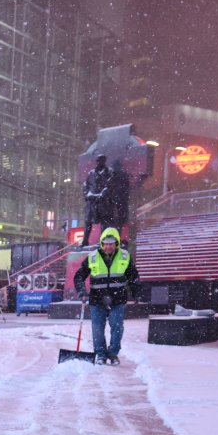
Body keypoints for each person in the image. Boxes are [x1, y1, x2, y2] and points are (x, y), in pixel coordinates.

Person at [73, 227, 140, 366]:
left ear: (116, 243)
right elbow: (79, 276)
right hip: (97, 300)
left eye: (111, 243)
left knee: (117, 328)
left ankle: (113, 353)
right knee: (97, 329)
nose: (108, 246)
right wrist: (82, 291)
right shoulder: (92, 257)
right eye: (106, 243)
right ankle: (101, 355)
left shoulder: (125, 256)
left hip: (117, 299)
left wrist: (136, 293)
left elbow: (134, 277)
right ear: (102, 243)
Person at [81, 154, 113, 247]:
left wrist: (103, 194)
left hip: (103, 202)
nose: (100, 162)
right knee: (88, 222)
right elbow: (85, 185)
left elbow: (109, 185)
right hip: (91, 202)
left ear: (104, 161)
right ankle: (85, 241)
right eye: (98, 161)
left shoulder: (109, 172)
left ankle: (102, 240)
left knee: (104, 222)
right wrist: (87, 194)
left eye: (102, 160)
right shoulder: (91, 173)